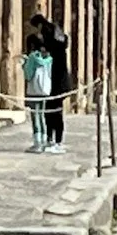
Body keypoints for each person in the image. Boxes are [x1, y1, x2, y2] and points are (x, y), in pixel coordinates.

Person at [25, 13, 71, 153]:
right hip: (53, 79)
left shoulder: (50, 36)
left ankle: (56, 141)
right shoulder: (52, 35)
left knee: (54, 111)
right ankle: (52, 140)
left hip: (55, 79)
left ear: (39, 25)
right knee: (51, 111)